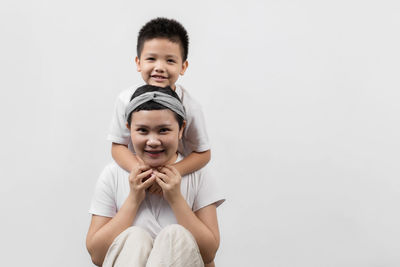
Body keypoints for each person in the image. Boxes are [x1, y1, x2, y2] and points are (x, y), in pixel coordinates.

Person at [87, 85, 224, 266]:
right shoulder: (113, 174)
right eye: (142, 130)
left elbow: (208, 253)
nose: (152, 141)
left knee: (175, 235)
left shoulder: (198, 174)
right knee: (135, 238)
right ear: (129, 129)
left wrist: (176, 199)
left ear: (181, 129)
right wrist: (134, 199)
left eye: (163, 130)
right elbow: (97, 255)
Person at [109, 18, 211, 196]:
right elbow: (118, 146)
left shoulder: (191, 107)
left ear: (183, 66)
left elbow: (203, 153)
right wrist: (142, 172)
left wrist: (172, 172)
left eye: (170, 61)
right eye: (151, 59)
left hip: (176, 181)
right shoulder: (126, 100)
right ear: (138, 63)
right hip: (136, 178)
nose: (159, 67)